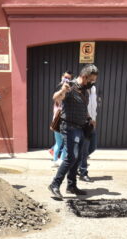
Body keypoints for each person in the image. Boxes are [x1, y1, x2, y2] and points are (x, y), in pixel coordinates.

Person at [47, 64, 98, 199]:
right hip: (69, 127)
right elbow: (56, 97)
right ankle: (54, 184)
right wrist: (62, 90)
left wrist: (89, 118)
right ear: (84, 76)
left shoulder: (85, 90)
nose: (92, 83)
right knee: (71, 157)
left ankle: (71, 185)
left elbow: (83, 107)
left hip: (81, 127)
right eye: (91, 80)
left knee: (78, 157)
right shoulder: (70, 86)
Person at [78, 71, 99, 182]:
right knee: (85, 149)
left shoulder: (93, 89)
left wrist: (93, 118)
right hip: (84, 123)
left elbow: (93, 105)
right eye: (91, 79)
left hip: (92, 122)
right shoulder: (80, 89)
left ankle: (77, 164)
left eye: (94, 79)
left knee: (93, 147)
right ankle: (83, 172)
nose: (93, 81)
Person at [50, 71, 73, 167]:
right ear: (62, 77)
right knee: (60, 143)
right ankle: (57, 161)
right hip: (59, 120)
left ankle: (60, 160)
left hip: (67, 120)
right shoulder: (59, 88)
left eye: (69, 78)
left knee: (65, 143)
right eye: (65, 77)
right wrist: (63, 90)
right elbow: (56, 98)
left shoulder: (70, 90)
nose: (67, 79)